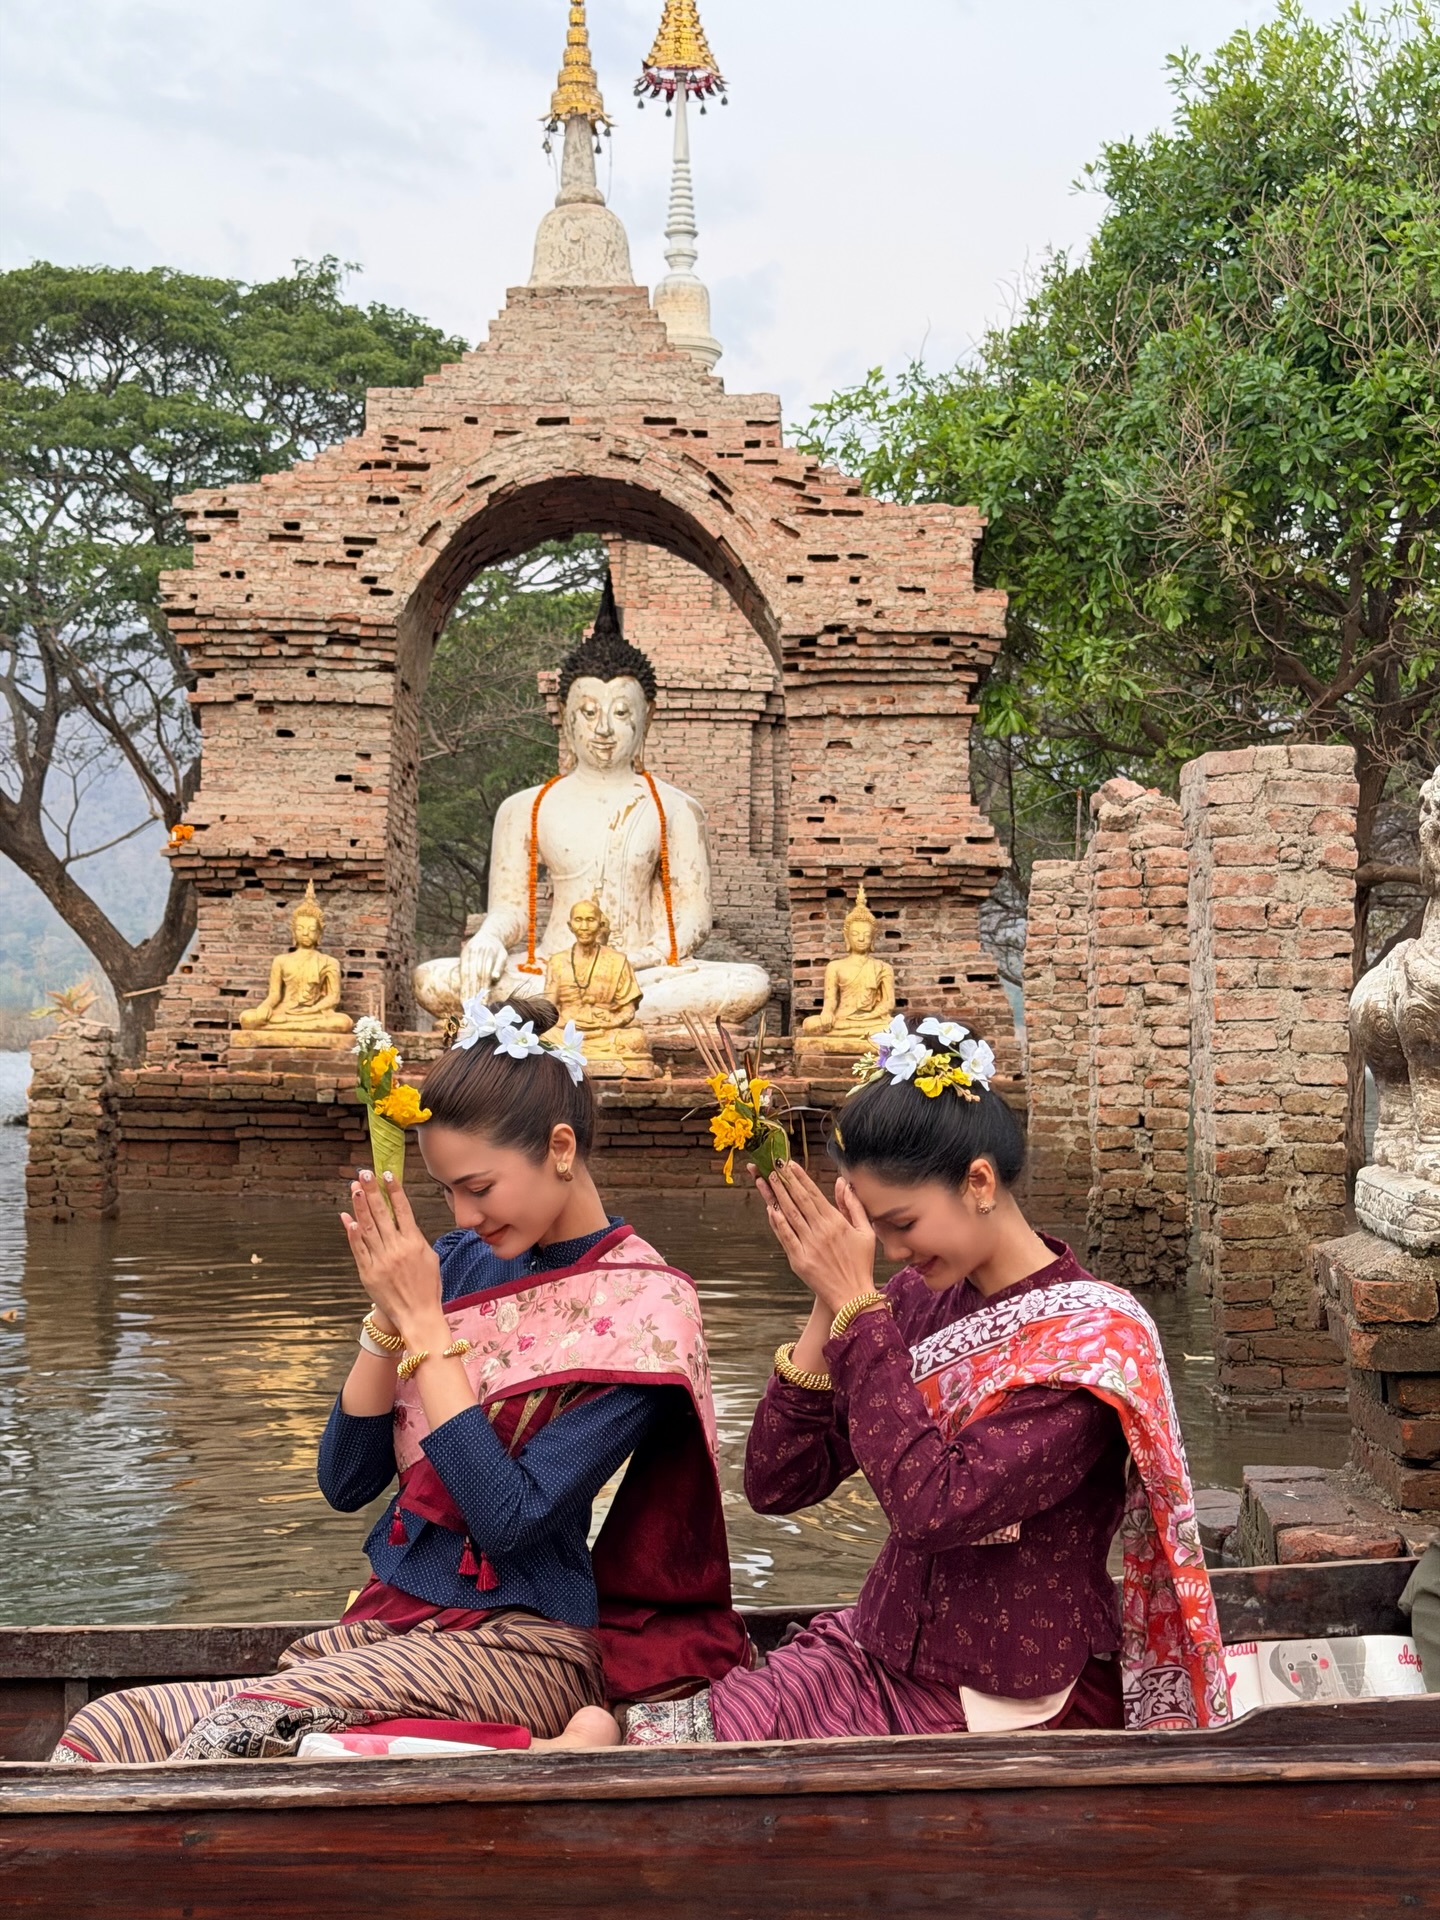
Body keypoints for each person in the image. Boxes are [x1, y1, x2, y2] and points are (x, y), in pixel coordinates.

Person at [51, 995, 746, 1764]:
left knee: (245, 1730)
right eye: (446, 1190)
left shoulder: (645, 1304)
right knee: (105, 1730)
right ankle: (532, 1750)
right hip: (389, 1625)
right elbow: (347, 1481)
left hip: (525, 1643)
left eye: (478, 1188)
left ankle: (541, 1735)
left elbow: (509, 1519)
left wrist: (425, 1325)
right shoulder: (452, 1263)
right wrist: (388, 1320)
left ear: (559, 1147)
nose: (462, 1213)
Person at [618, 1013, 1229, 1746]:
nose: (892, 1251)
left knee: (671, 1761)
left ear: (978, 1182)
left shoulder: (1091, 1343)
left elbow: (934, 1508)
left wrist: (856, 1305)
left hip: (993, 1687)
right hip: (875, 1644)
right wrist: (827, 1302)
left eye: (902, 1222)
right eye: (874, 1230)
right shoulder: (913, 1301)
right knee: (649, 1733)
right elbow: (779, 1482)